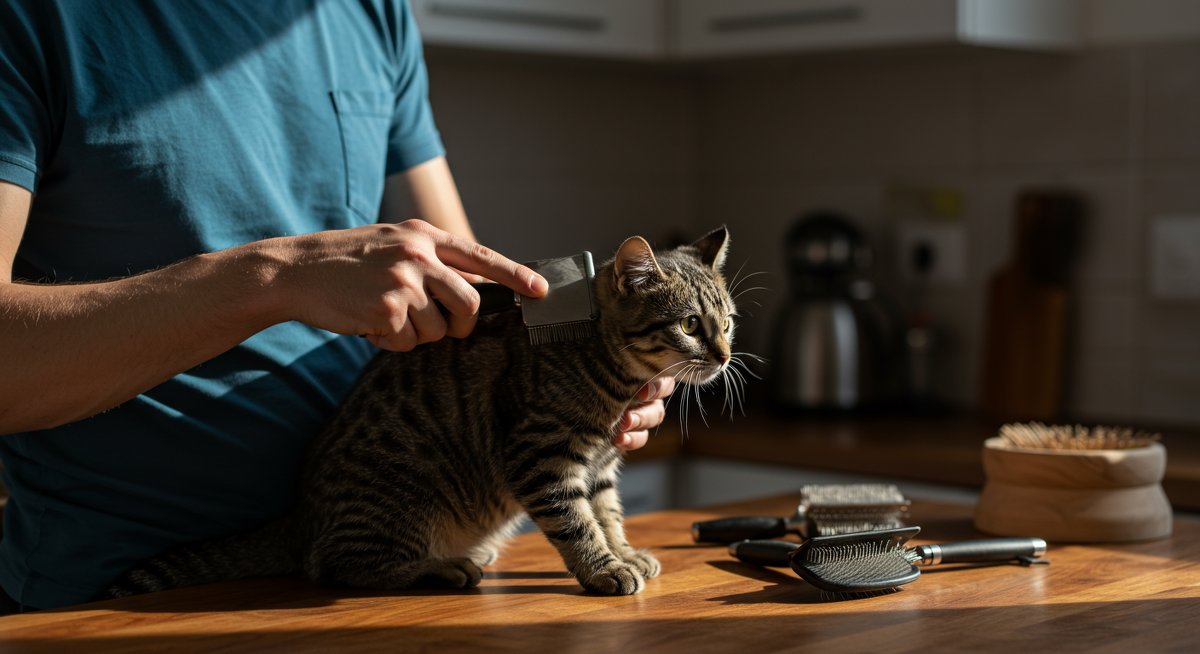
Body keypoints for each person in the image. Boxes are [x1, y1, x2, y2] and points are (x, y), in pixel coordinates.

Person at [0, 1, 674, 612]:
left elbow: (466, 302)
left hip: (373, 586)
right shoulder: (34, 18)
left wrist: (605, 359)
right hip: (108, 601)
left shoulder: (372, 14)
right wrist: (273, 275)